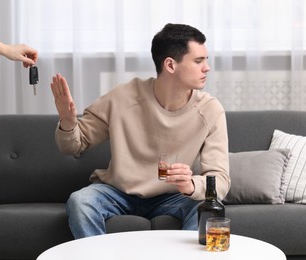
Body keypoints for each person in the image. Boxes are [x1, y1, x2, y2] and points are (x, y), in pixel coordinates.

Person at [50, 23, 231, 239]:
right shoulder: (123, 98)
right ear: (170, 65)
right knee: (80, 202)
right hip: (119, 193)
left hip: (173, 195)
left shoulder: (210, 110)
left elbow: (219, 178)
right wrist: (68, 121)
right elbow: (72, 146)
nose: (207, 68)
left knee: (208, 206)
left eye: (206, 60)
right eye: (199, 61)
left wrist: (192, 185)